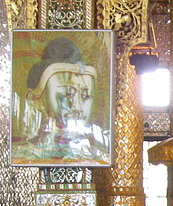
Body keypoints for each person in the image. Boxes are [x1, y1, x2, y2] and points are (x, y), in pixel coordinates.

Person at [12, 36, 108, 165]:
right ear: (35, 98)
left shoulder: (96, 155)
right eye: (67, 94)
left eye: (85, 96)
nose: (77, 106)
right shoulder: (23, 155)